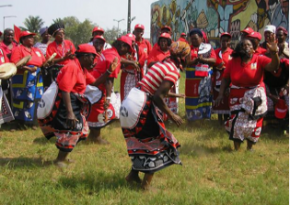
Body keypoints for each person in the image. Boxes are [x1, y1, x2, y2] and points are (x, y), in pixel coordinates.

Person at [120, 41, 189, 191]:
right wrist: (172, 115)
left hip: (131, 101)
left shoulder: (160, 64)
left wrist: (176, 94)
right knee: (157, 142)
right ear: (183, 57)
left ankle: (132, 176)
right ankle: (145, 187)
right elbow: (158, 96)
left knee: (140, 140)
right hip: (141, 104)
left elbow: (154, 87)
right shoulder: (173, 71)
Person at [37, 44, 119, 167]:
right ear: (85, 56)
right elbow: (65, 91)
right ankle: (60, 160)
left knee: (80, 129)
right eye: (93, 57)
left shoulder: (81, 69)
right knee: (72, 129)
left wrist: (109, 71)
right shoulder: (72, 67)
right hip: (64, 104)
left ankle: (64, 157)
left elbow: (95, 82)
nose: (94, 60)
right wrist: (70, 113)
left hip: (73, 102)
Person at [215, 38, 280, 151]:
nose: (247, 47)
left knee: (254, 123)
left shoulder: (259, 59)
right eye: (244, 45)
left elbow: (273, 66)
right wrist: (220, 94)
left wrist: (274, 54)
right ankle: (237, 149)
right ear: (240, 48)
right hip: (236, 97)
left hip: (255, 96)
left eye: (249, 45)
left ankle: (250, 147)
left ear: (253, 49)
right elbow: (225, 78)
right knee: (236, 122)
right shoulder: (233, 61)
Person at [87, 36, 132, 144]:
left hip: (93, 83)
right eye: (127, 49)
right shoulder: (114, 59)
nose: (127, 53)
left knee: (96, 111)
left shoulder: (110, 52)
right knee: (111, 111)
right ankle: (96, 136)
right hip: (97, 87)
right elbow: (109, 80)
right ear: (122, 46)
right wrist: (107, 97)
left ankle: (92, 135)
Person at [10, 31, 46, 130]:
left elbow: (43, 61)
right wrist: (28, 68)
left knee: (36, 99)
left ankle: (33, 122)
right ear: (23, 40)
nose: (32, 39)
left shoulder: (36, 50)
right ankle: (21, 122)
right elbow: (15, 63)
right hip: (23, 79)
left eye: (32, 37)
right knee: (23, 99)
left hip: (37, 78)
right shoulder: (18, 49)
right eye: (29, 37)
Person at [186, 29, 217, 121]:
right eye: (192, 39)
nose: (194, 41)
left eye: (195, 38)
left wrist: (204, 60)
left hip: (204, 79)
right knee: (192, 98)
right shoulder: (188, 48)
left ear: (201, 38)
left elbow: (214, 60)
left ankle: (205, 116)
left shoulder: (208, 48)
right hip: (192, 80)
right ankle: (192, 118)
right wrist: (195, 61)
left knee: (205, 97)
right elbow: (187, 62)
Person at [212, 33, 233, 124]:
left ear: (229, 42)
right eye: (223, 40)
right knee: (218, 97)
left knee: (226, 98)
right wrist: (217, 66)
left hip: (228, 79)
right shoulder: (215, 52)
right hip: (217, 78)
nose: (224, 42)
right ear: (220, 41)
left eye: (226, 41)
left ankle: (227, 118)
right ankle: (219, 119)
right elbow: (212, 65)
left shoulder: (232, 53)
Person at [120, 33, 142, 102]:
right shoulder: (122, 50)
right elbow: (119, 61)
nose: (130, 43)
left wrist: (136, 63)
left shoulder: (138, 49)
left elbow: (141, 61)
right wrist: (130, 63)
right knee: (125, 97)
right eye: (128, 41)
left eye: (132, 41)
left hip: (136, 76)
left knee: (135, 97)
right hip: (126, 75)